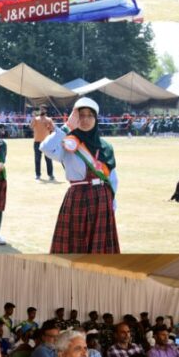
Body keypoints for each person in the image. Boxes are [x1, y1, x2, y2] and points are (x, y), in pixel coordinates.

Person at [40, 97, 120, 253]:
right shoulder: (67, 141)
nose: (85, 119)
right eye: (81, 115)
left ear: (96, 119)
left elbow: (112, 178)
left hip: (102, 201)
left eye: (90, 115)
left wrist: (112, 200)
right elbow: (46, 148)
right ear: (74, 117)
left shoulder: (106, 146)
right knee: (75, 245)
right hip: (77, 198)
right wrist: (67, 127)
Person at [31, 107, 57, 182]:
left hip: (47, 142)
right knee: (37, 159)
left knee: (49, 159)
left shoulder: (49, 119)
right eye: (40, 109)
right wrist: (33, 118)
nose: (41, 111)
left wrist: (48, 126)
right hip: (37, 142)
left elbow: (53, 129)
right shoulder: (36, 119)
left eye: (43, 109)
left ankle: (50, 174)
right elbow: (31, 126)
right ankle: (37, 175)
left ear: (45, 110)